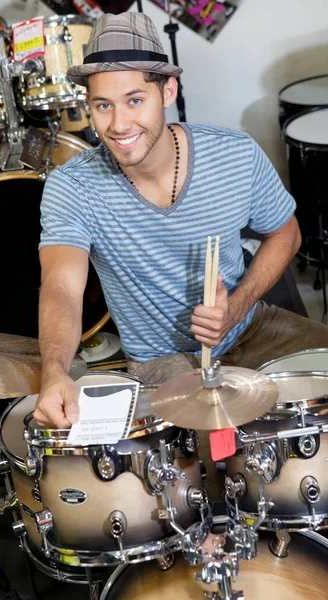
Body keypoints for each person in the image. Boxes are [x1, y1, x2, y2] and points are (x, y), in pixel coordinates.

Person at [34, 11, 328, 429]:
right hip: (162, 361)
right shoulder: (72, 187)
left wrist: (237, 305)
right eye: (103, 105)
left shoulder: (234, 155)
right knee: (215, 457)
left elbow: (287, 232)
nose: (118, 125)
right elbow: (61, 285)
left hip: (250, 328)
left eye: (135, 100)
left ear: (167, 90)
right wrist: (55, 371)